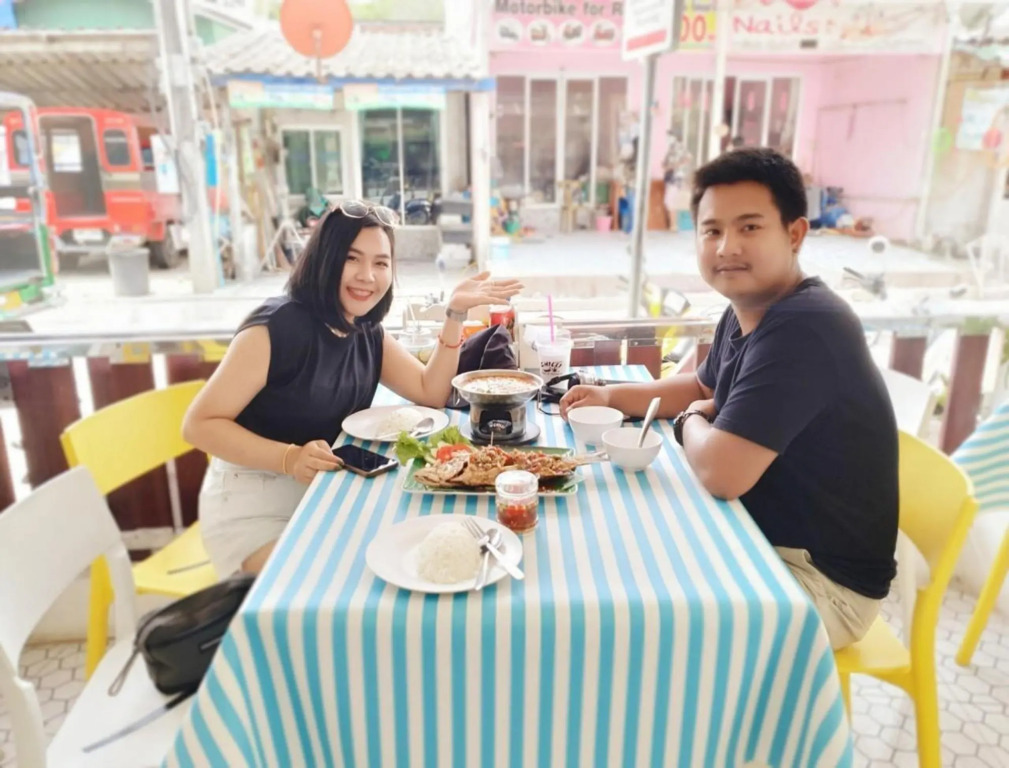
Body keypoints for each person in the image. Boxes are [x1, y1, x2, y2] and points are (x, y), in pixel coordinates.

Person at [560, 148, 898, 649]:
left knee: (635, 619)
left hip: (821, 584)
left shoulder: (806, 325)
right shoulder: (749, 308)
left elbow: (721, 472)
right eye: (712, 230)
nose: (726, 247)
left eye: (749, 227)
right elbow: (702, 387)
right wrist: (611, 395)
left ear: (795, 234)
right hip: (762, 535)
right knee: (619, 544)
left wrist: (688, 423)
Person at [183, 201, 523, 576]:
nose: (367, 276)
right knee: (336, 578)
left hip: (318, 489)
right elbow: (198, 425)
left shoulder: (364, 329)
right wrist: (290, 458)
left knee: (396, 554)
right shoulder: (276, 327)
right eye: (351, 258)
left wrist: (455, 315)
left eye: (380, 263)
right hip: (251, 502)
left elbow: (430, 392)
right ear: (325, 258)